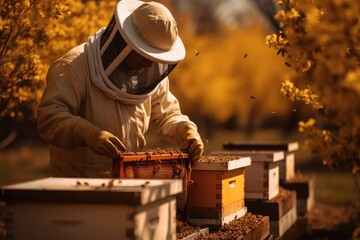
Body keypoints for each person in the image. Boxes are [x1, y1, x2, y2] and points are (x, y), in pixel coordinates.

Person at [37, 0, 204, 177]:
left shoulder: (151, 74)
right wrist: (87, 133)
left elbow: (166, 115)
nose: (149, 64)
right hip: (75, 189)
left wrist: (185, 129)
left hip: (128, 182)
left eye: (155, 57)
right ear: (125, 39)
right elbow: (49, 118)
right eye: (145, 53)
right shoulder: (72, 66)